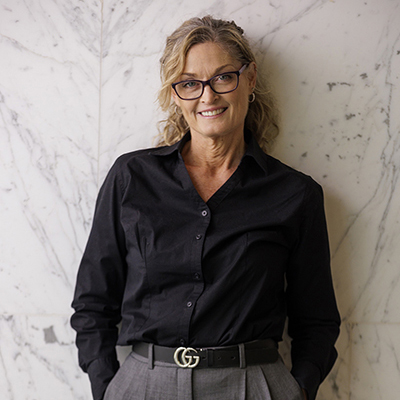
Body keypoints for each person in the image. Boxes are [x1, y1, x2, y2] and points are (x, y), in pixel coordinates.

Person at [71, 15, 340, 400]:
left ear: (250, 78)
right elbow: (93, 302)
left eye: (223, 78)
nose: (208, 97)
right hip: (145, 384)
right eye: (189, 83)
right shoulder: (131, 177)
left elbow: (317, 319)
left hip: (253, 385)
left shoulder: (296, 195)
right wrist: (107, 388)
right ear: (175, 94)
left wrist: (298, 390)